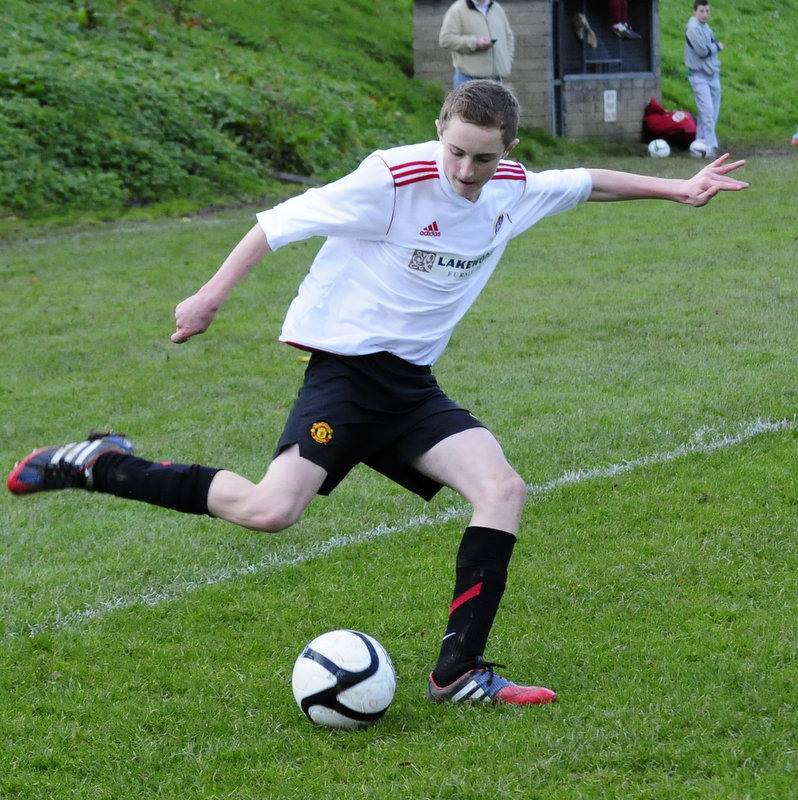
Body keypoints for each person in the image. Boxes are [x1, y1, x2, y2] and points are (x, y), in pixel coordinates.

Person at [7, 81, 748, 707]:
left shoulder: (511, 190)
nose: (464, 169)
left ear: (506, 153)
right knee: (271, 511)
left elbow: (587, 181)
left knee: (502, 489)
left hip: (412, 389)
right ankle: (100, 463)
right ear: (439, 135)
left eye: (483, 157)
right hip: (346, 377)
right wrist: (207, 298)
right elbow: (274, 225)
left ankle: (458, 673)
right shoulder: (390, 180)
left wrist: (677, 188)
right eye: (455, 150)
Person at [439, 0, 514, 88]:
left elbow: (509, 37)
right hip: (468, 80)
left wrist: (507, 61)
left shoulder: (497, 8)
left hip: (497, 81)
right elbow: (445, 39)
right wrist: (475, 43)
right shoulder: (457, 9)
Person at [685, 1, 724, 158]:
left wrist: (713, 47)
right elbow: (702, 51)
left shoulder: (705, 26)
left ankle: (700, 143)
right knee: (707, 110)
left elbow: (710, 46)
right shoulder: (693, 27)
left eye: (707, 11)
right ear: (695, 11)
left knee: (711, 112)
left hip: (712, 74)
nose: (705, 14)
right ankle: (711, 147)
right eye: (701, 11)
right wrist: (717, 47)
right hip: (698, 75)